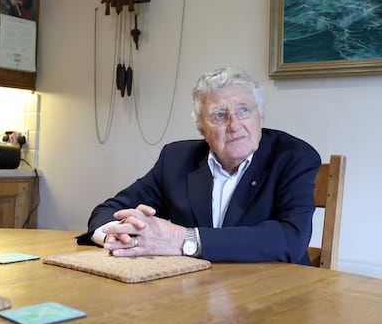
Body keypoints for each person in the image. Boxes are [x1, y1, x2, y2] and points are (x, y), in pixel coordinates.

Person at [78, 67, 321, 264]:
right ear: (201, 128)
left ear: (261, 116)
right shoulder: (176, 159)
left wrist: (183, 239)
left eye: (244, 110)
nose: (234, 125)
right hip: (195, 293)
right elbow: (107, 211)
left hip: (276, 297)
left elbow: (291, 238)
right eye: (219, 115)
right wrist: (122, 235)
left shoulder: (293, 156)